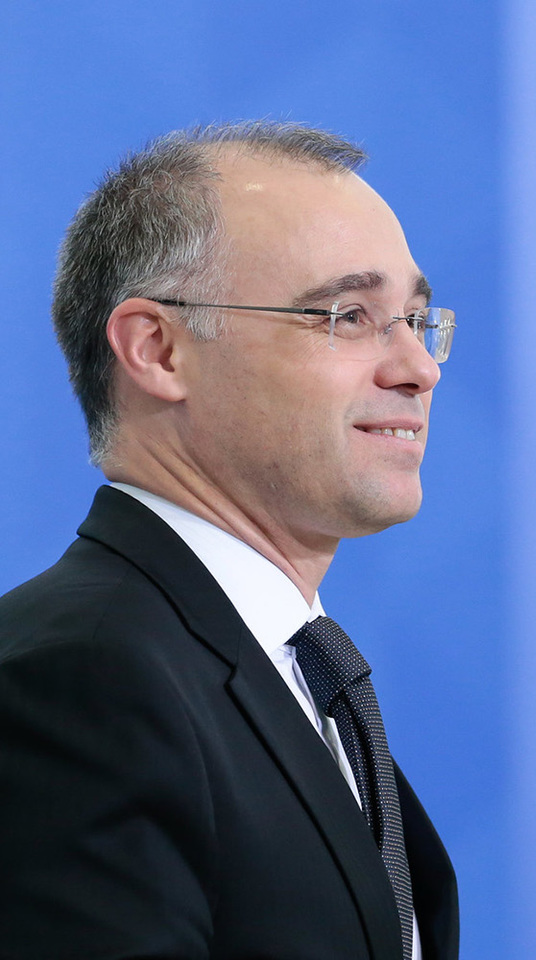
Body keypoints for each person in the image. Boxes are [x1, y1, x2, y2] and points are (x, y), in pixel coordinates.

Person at [0, 122, 459, 959]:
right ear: (159, 349)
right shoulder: (78, 680)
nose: (417, 368)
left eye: (418, 319)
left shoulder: (284, 666)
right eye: (350, 315)